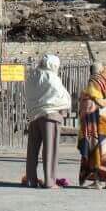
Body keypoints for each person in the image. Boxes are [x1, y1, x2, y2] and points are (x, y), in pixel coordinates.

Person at [24, 53, 71, 188]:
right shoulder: (51, 77)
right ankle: (50, 181)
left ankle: (31, 179)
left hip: (34, 115)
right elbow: (61, 96)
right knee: (50, 150)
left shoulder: (32, 76)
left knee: (32, 150)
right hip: (50, 115)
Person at [77, 62, 106, 189]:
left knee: (96, 150)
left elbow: (92, 102)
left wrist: (83, 98)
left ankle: (97, 181)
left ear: (91, 71)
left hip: (98, 123)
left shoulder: (93, 82)